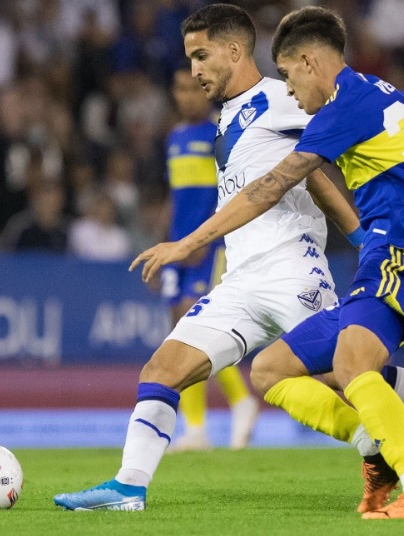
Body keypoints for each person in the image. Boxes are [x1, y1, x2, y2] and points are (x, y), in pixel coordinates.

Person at [54, 4, 404, 515]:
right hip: (241, 278)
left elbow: (284, 180)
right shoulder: (232, 114)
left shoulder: (285, 96)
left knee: (350, 369)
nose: (194, 70)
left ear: (235, 51)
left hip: (293, 269)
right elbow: (318, 175)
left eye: (201, 56)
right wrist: (378, 219)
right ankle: (129, 486)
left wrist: (186, 244)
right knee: (164, 369)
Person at [160, 66, 259, 452]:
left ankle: (241, 401)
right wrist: (164, 245)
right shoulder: (175, 137)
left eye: (192, 89)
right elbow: (175, 197)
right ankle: (197, 429)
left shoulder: (220, 132)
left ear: (206, 91)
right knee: (180, 333)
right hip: (178, 246)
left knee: (193, 321)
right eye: (179, 89)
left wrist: (204, 237)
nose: (186, 96)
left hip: (209, 245)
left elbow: (230, 191)